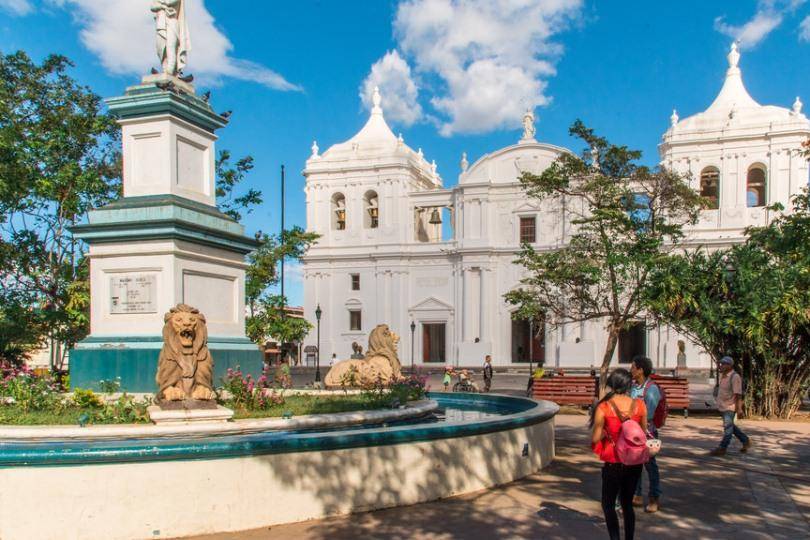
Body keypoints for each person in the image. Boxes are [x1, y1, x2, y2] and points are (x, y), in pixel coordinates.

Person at [591, 368, 648, 540]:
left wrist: (607, 434)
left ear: (612, 385)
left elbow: (595, 438)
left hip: (613, 461)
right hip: (634, 463)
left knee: (608, 504)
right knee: (627, 504)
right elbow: (642, 433)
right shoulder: (639, 405)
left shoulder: (604, 407)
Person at [629, 356, 662, 513]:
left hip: (648, 433)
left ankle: (654, 497)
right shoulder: (634, 387)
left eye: (633, 367)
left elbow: (649, 414)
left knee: (650, 466)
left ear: (641, 370)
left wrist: (632, 416)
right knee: (635, 464)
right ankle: (637, 494)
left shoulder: (652, 389)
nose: (631, 370)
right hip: (633, 432)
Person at [710, 356, 751, 456]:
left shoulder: (734, 377)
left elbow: (738, 394)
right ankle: (745, 441)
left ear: (730, 365)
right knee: (731, 427)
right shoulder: (723, 376)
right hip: (722, 406)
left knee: (728, 428)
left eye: (724, 364)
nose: (721, 366)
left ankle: (722, 448)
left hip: (730, 407)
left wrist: (739, 409)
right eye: (721, 364)